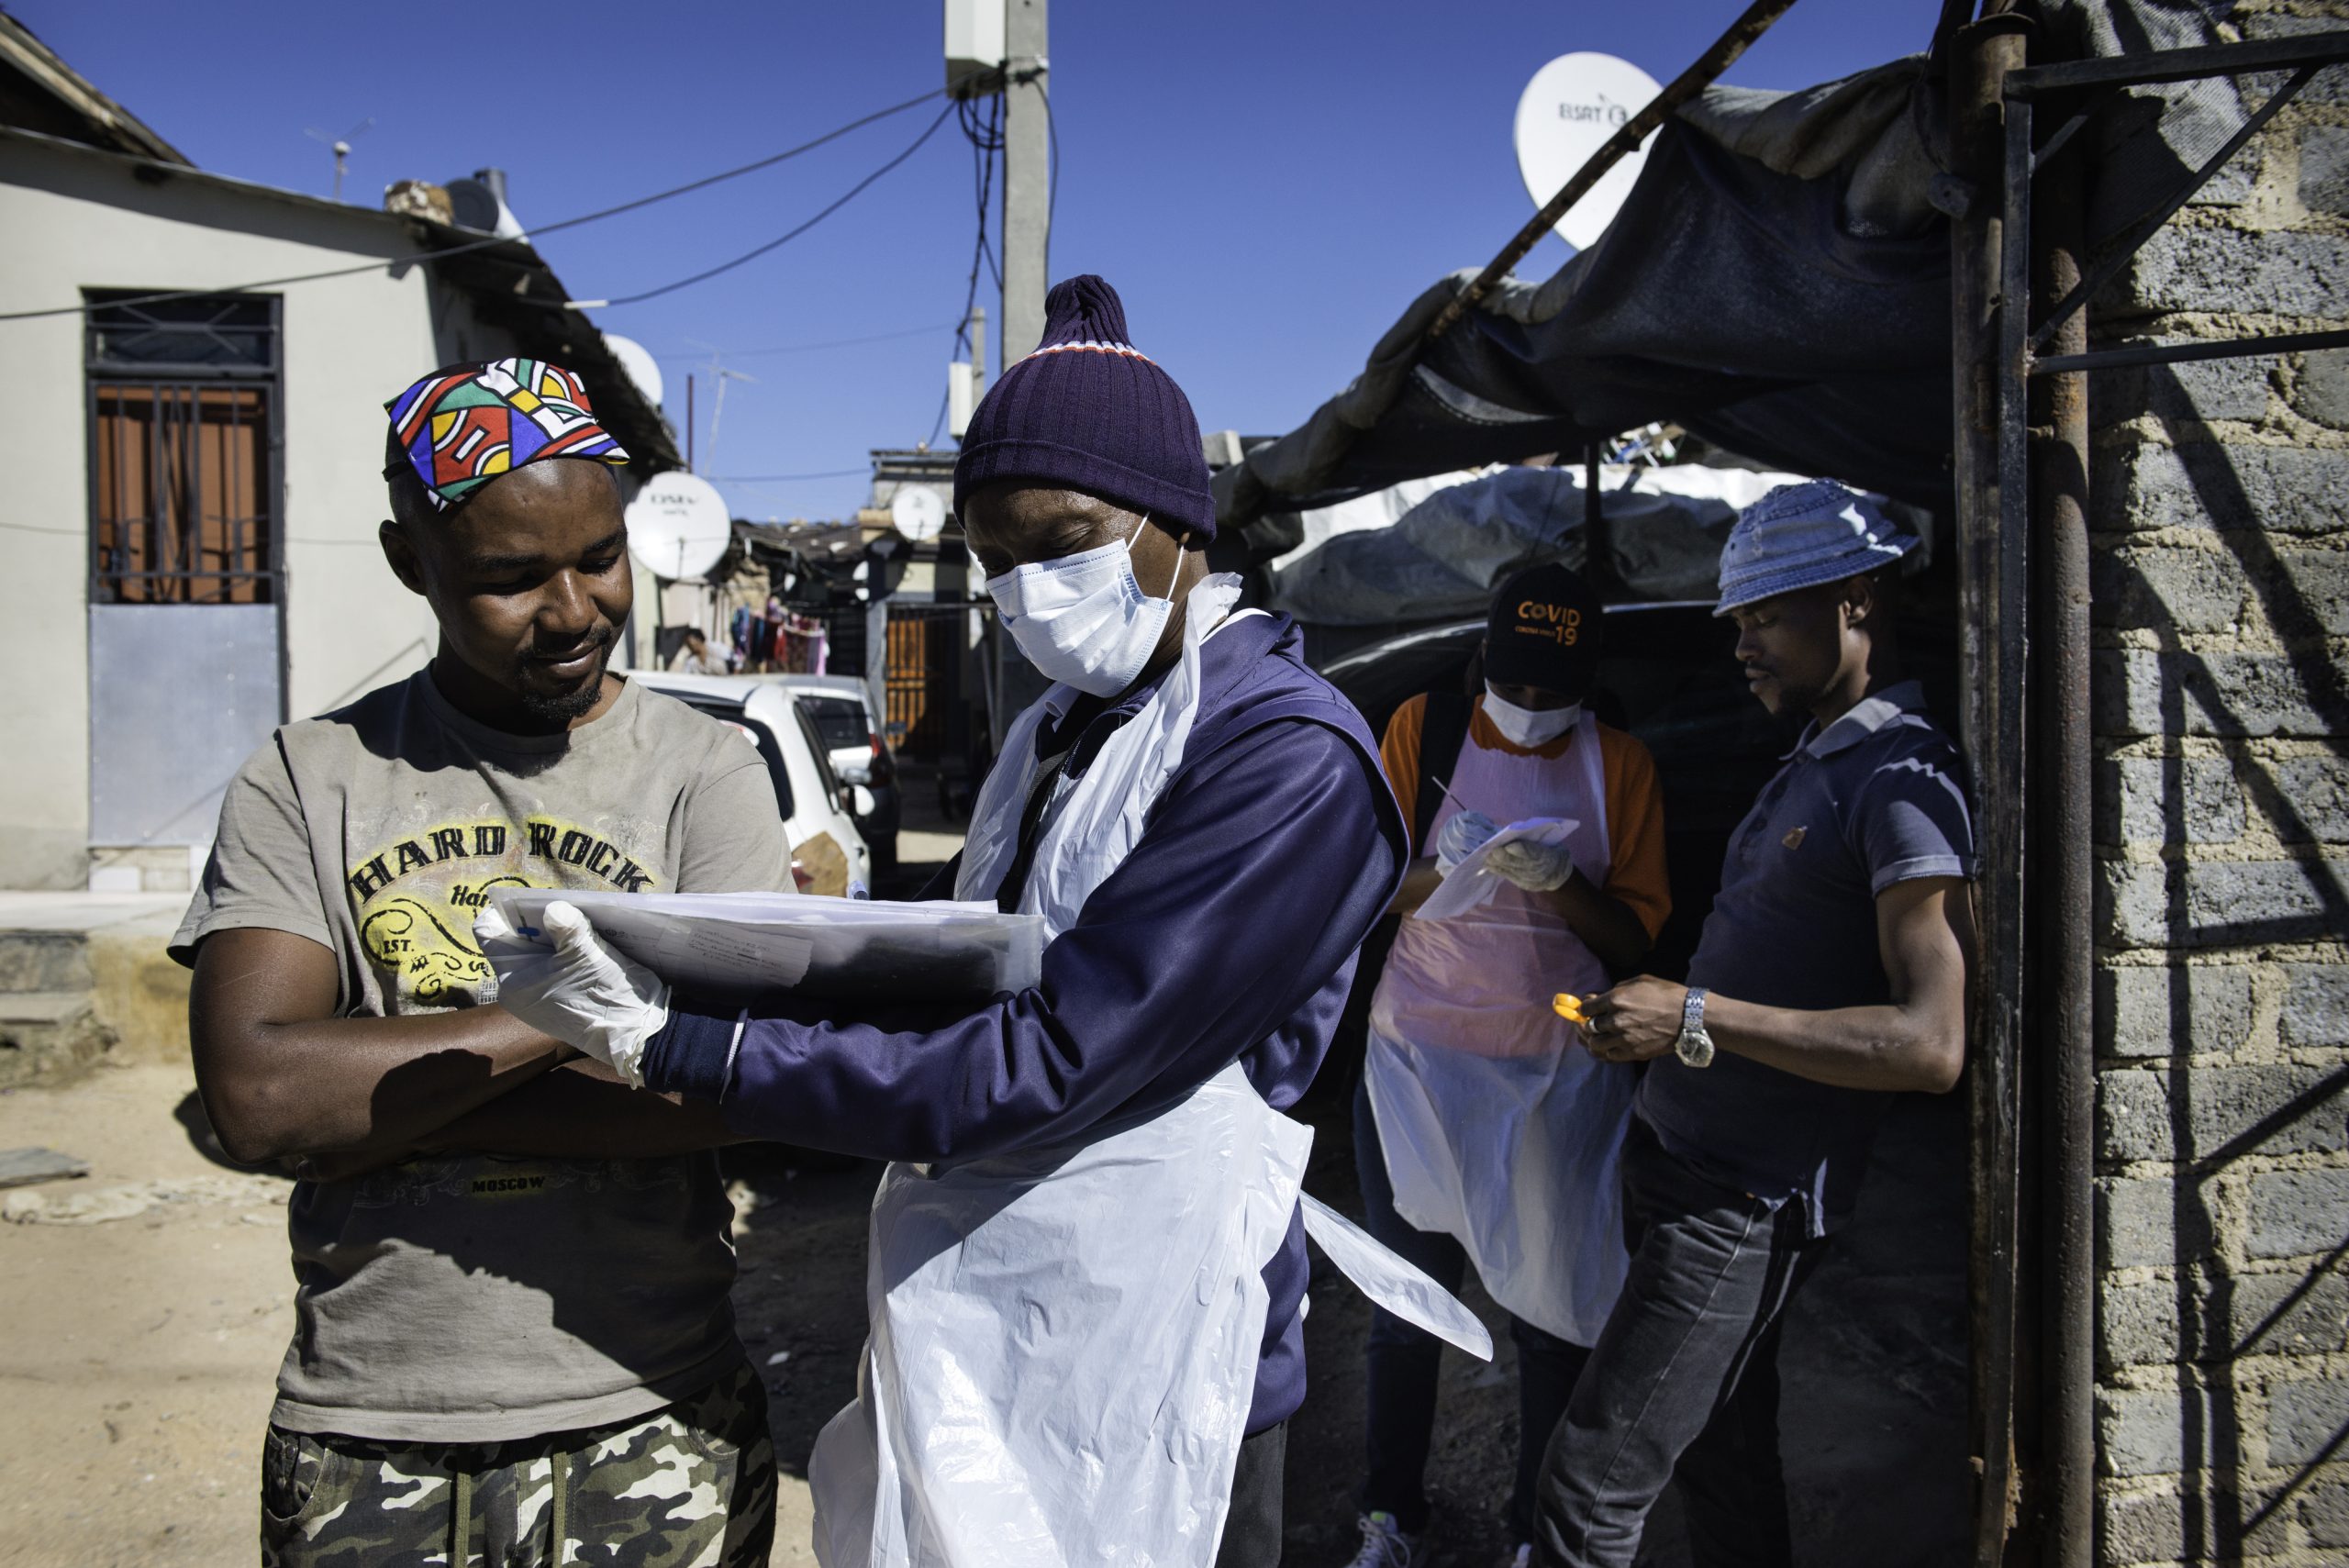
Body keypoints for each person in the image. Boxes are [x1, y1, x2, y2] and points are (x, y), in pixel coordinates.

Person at [488, 276, 1416, 1568]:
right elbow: (978, 965)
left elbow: (1057, 1054)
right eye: (996, 562)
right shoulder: (1060, 731)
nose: (1029, 591)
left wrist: (685, 1046)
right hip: (988, 1307)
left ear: (1177, 524)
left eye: (1064, 539)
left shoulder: (1283, 760)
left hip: (1159, 1347)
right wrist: (735, 962)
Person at [173, 359, 794, 1568]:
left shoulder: (702, 772)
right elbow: (258, 1097)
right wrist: (570, 1010)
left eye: (601, 558)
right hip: (373, 1435)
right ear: (414, 563)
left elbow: (743, 1086)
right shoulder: (311, 777)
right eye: (511, 578)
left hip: (654, 1414)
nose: (572, 610)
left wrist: (385, 1102)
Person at [1531, 479, 1977, 1568]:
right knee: (1720, 1451)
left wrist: (1692, 1009)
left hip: (1742, 1199)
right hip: (1683, 1157)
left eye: (1766, 614)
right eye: (1736, 623)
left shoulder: (1903, 782)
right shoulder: (1818, 754)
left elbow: (1928, 1045)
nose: (1742, 643)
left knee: (1585, 1489)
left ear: (1857, 598)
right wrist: (1667, 1021)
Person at [1349, 563, 1670, 1568]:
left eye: (1554, 690)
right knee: (1405, 1306)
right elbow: (1358, 881)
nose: (1531, 707)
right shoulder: (1424, 729)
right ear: (1484, 657)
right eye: (1516, 681)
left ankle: (1535, 1530)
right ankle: (1389, 1517)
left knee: (1550, 1310)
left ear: (1589, 678)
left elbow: (1631, 938)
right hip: (1415, 1057)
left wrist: (1562, 879)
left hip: (1551, 1076)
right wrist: (1443, 875)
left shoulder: (1620, 764)